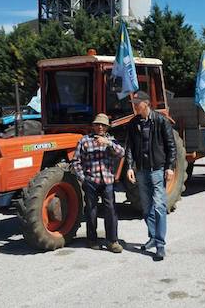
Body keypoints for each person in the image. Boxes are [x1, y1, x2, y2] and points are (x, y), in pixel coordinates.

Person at [125, 91, 176, 260]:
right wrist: (130, 167)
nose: (134, 105)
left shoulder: (161, 120)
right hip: (141, 170)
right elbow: (130, 147)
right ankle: (153, 237)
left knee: (160, 206)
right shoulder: (133, 123)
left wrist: (169, 167)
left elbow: (171, 146)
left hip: (157, 170)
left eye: (137, 102)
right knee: (146, 208)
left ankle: (160, 244)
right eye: (133, 102)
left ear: (146, 103)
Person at [73, 113, 125, 253]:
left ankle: (112, 241)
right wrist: (83, 178)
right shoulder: (84, 141)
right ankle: (92, 240)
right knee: (91, 211)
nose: (100, 127)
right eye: (97, 124)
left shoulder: (111, 140)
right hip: (91, 181)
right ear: (93, 126)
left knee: (111, 211)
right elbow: (76, 161)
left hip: (107, 180)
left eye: (103, 125)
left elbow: (121, 153)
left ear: (107, 127)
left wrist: (108, 143)